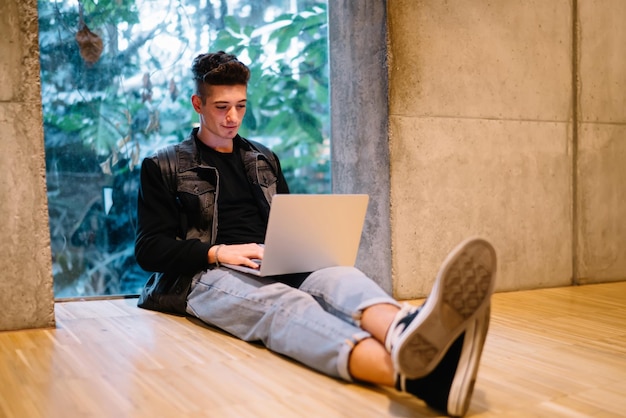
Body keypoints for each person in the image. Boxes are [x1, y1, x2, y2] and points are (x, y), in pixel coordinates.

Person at [134, 51, 497, 417]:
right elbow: (149, 249)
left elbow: (288, 219)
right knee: (286, 307)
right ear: (198, 103)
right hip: (206, 275)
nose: (233, 118)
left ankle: (402, 329)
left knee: (339, 277)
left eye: (241, 106)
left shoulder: (263, 158)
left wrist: (301, 246)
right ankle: (421, 378)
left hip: (272, 257)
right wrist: (217, 252)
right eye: (221, 107)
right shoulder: (163, 165)